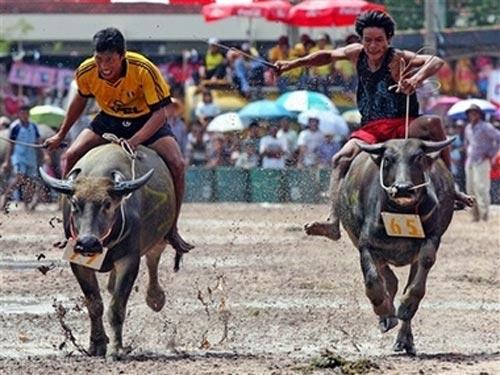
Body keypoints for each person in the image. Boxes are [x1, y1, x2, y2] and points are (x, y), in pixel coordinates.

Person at [275, 10, 473, 240]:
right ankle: (333, 221)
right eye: (367, 40)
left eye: (379, 40)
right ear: (361, 39)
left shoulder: (397, 56)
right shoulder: (355, 54)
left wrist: (416, 79)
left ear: (388, 39)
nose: (373, 46)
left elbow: (435, 60)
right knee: (340, 159)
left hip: (404, 123)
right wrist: (292, 64)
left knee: (434, 123)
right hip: (371, 127)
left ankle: (453, 188)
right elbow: (327, 56)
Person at [43, 27, 193, 254]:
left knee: (177, 164)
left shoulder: (143, 69)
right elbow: (79, 102)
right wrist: (60, 135)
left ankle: (172, 229)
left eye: (110, 60)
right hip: (109, 120)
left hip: (146, 121)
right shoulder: (87, 70)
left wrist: (135, 140)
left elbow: (160, 114)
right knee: (70, 156)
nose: (104, 66)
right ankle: (70, 229)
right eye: (99, 58)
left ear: (122, 56)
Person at [463, 104, 500, 222]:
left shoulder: (486, 127)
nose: (472, 115)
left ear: (479, 114)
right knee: (470, 189)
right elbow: (467, 143)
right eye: (470, 113)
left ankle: (484, 216)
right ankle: (475, 215)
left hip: (482, 161)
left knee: (481, 188)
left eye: (474, 112)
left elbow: (498, 138)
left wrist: (491, 153)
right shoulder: (468, 128)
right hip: (470, 161)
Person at [1, 104, 41, 211]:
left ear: (29, 115)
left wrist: (45, 155)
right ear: (19, 114)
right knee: (19, 178)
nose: (25, 115)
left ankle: (26, 204)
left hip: (31, 158)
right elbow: (11, 144)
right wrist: (7, 160)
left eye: (26, 113)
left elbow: (38, 142)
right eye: (22, 113)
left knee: (31, 181)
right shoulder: (15, 127)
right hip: (19, 157)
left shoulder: (33, 126)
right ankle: (5, 200)